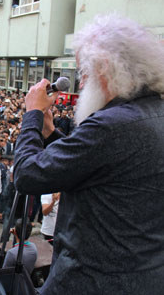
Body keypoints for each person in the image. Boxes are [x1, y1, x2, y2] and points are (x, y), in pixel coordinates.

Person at [13, 15, 164, 294]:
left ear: (105, 68)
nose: (82, 86)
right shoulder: (152, 113)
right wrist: (49, 134)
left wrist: (32, 115)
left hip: (93, 280)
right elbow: (99, 166)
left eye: (84, 74)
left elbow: (26, 175)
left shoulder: (113, 124)